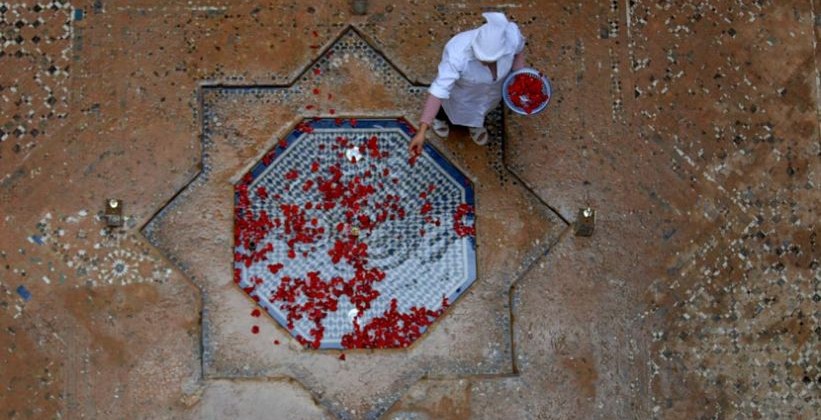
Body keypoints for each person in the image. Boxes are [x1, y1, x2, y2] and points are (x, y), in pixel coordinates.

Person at [409, 12, 526, 155]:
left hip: (491, 93)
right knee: (447, 110)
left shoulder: (511, 37)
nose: (484, 63)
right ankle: (439, 119)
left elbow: (519, 50)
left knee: (484, 108)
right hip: (460, 95)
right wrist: (422, 130)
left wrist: (519, 76)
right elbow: (439, 90)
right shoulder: (456, 53)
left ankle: (475, 125)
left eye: (490, 60)